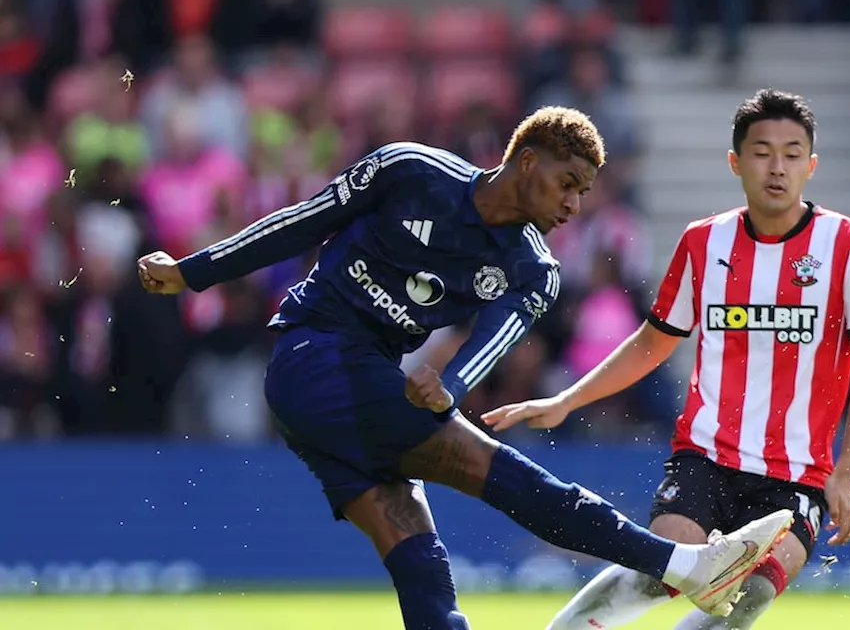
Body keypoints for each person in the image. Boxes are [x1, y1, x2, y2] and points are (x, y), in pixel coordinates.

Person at [135, 106, 794, 630]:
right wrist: (193, 272)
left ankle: (685, 567)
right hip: (315, 358)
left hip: (363, 395)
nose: (574, 205)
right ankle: (683, 566)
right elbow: (303, 222)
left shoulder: (533, 270)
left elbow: (495, 338)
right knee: (496, 470)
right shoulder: (409, 170)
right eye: (566, 184)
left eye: (584, 193)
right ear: (525, 161)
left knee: (425, 574)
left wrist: (448, 385)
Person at [484, 90, 850, 629]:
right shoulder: (704, 242)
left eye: (793, 154)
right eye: (762, 152)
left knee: (747, 597)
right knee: (660, 566)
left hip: (799, 475)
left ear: (811, 165)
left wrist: (845, 472)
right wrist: (567, 400)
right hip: (707, 457)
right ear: (735, 162)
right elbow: (653, 343)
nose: (778, 167)